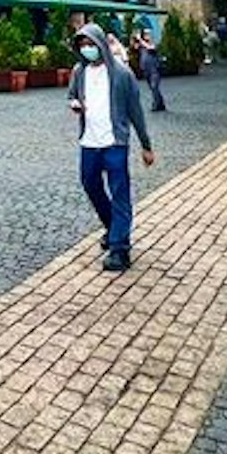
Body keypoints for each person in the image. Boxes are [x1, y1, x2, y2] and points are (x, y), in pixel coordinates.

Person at [67, 23, 156, 272]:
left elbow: (135, 111)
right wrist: (75, 104)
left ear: (101, 44)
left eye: (91, 44)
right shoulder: (79, 72)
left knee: (120, 193)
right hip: (89, 142)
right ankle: (113, 227)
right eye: (82, 45)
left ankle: (120, 248)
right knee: (90, 184)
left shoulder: (121, 74)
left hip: (114, 143)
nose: (87, 49)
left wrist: (146, 145)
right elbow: (71, 96)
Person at [135, 24, 166, 112]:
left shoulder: (153, 43)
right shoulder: (142, 44)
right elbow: (135, 47)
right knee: (152, 88)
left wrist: (140, 40)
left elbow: (151, 48)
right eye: (145, 34)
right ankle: (161, 104)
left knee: (154, 86)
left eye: (148, 34)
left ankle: (156, 104)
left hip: (154, 69)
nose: (147, 35)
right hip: (146, 70)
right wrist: (135, 39)